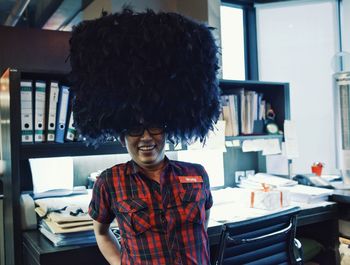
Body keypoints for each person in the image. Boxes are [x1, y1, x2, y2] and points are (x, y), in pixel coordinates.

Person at [69, 7, 220, 265]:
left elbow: (202, 228)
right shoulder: (109, 182)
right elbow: (102, 232)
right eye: (135, 130)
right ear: (122, 136)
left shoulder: (197, 175)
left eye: (155, 127)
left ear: (168, 129)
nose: (146, 138)